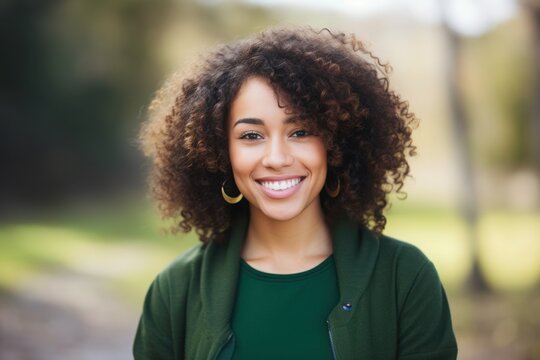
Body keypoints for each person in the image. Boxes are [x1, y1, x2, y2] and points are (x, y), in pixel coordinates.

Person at [133, 26, 457, 359]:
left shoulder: (404, 279)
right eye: (251, 136)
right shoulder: (175, 291)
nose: (276, 158)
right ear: (219, 151)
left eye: (300, 131)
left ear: (335, 142)